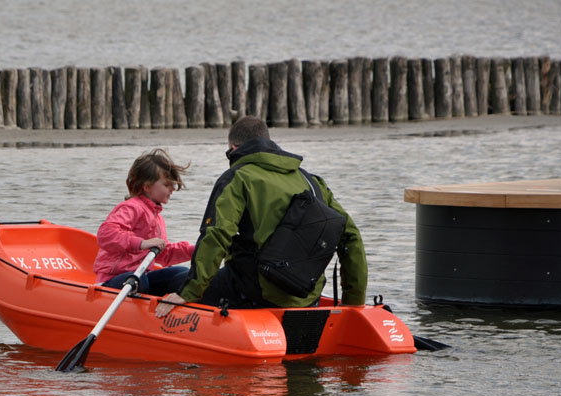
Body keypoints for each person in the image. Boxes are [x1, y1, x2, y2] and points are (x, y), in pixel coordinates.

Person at [155, 116, 367, 317]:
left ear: (234, 149)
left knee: (174, 280)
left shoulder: (237, 178)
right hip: (306, 296)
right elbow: (351, 237)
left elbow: (216, 236)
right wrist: (353, 300)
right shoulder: (311, 181)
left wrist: (188, 292)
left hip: (256, 293)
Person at [93, 148, 196, 296]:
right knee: (140, 281)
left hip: (142, 277)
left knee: (183, 274)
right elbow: (106, 234)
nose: (172, 189)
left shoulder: (157, 217)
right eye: (167, 185)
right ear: (147, 187)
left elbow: (164, 255)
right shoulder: (131, 207)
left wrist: (195, 250)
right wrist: (141, 243)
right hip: (114, 280)